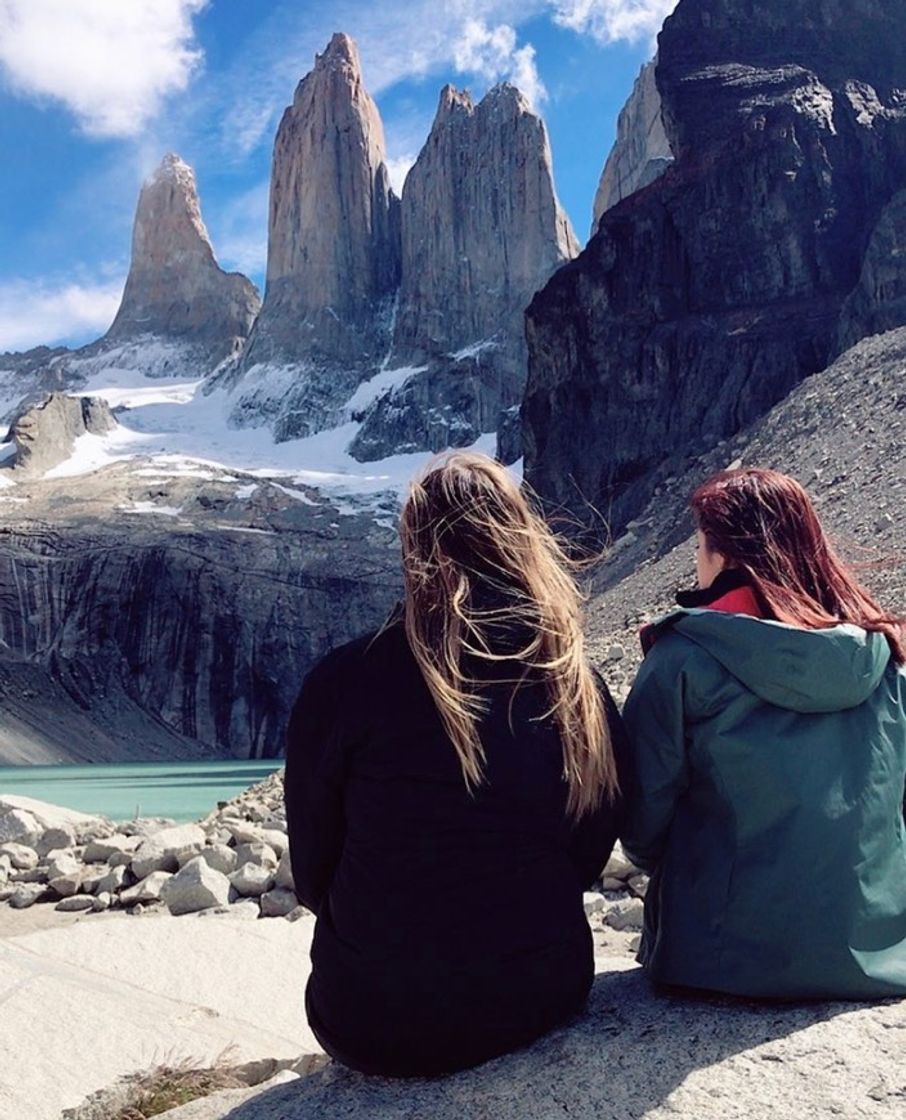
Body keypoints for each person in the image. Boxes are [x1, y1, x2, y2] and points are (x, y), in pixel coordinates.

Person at [284, 451, 629, 1077]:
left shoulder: (346, 679)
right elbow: (587, 850)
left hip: (369, 1021)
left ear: (414, 546)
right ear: (523, 538)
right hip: (540, 994)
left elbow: (312, 874)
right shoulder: (577, 685)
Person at [622, 467, 906, 1000]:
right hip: (879, 955)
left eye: (701, 546)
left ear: (724, 556)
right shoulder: (883, 655)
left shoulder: (681, 658)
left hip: (720, 960)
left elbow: (642, 821)